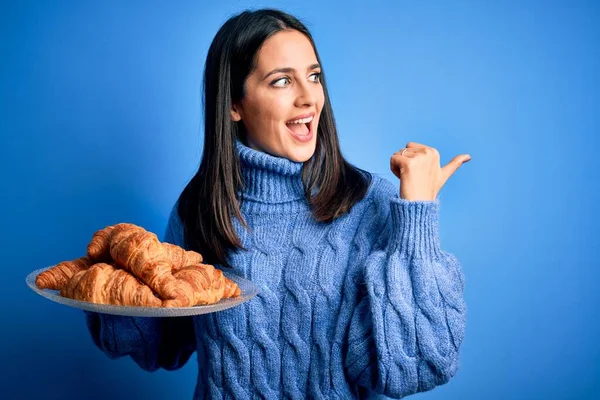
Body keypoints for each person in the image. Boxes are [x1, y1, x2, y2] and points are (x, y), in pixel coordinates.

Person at [84, 8, 470, 399]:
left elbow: (420, 366)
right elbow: (165, 346)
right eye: (282, 81)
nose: (308, 98)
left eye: (314, 76)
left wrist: (418, 217)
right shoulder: (201, 207)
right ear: (234, 104)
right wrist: (107, 291)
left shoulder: (371, 205)